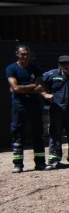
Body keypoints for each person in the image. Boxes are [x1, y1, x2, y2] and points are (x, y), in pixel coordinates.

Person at [6, 44, 45, 173]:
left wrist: (23, 88)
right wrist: (31, 86)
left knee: (38, 133)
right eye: (22, 54)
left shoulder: (35, 68)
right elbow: (15, 88)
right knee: (18, 133)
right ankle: (18, 164)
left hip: (34, 104)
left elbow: (40, 87)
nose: (25, 56)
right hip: (19, 105)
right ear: (17, 54)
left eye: (27, 54)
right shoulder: (11, 69)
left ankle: (40, 163)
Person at [42, 55, 69, 170]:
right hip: (56, 110)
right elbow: (38, 83)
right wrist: (45, 94)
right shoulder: (51, 75)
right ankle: (54, 159)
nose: (66, 66)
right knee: (55, 135)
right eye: (64, 64)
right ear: (60, 64)